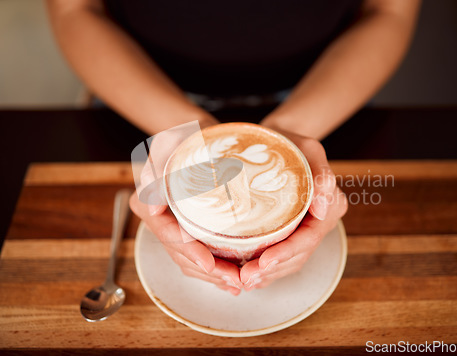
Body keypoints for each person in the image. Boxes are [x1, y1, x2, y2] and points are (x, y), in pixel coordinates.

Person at [47, 0, 421, 295]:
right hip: (137, 93)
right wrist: (181, 130)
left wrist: (290, 130)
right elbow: (75, 10)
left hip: (331, 95)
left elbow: (388, 11)